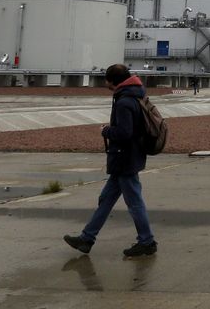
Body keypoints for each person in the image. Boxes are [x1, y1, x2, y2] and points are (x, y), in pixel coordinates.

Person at [64, 64, 157, 258]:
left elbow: (124, 132)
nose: (105, 83)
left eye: (106, 80)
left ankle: (147, 241)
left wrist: (106, 131)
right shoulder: (136, 96)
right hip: (127, 158)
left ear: (113, 81)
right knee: (105, 200)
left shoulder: (124, 102)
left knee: (135, 203)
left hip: (124, 159)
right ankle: (87, 238)